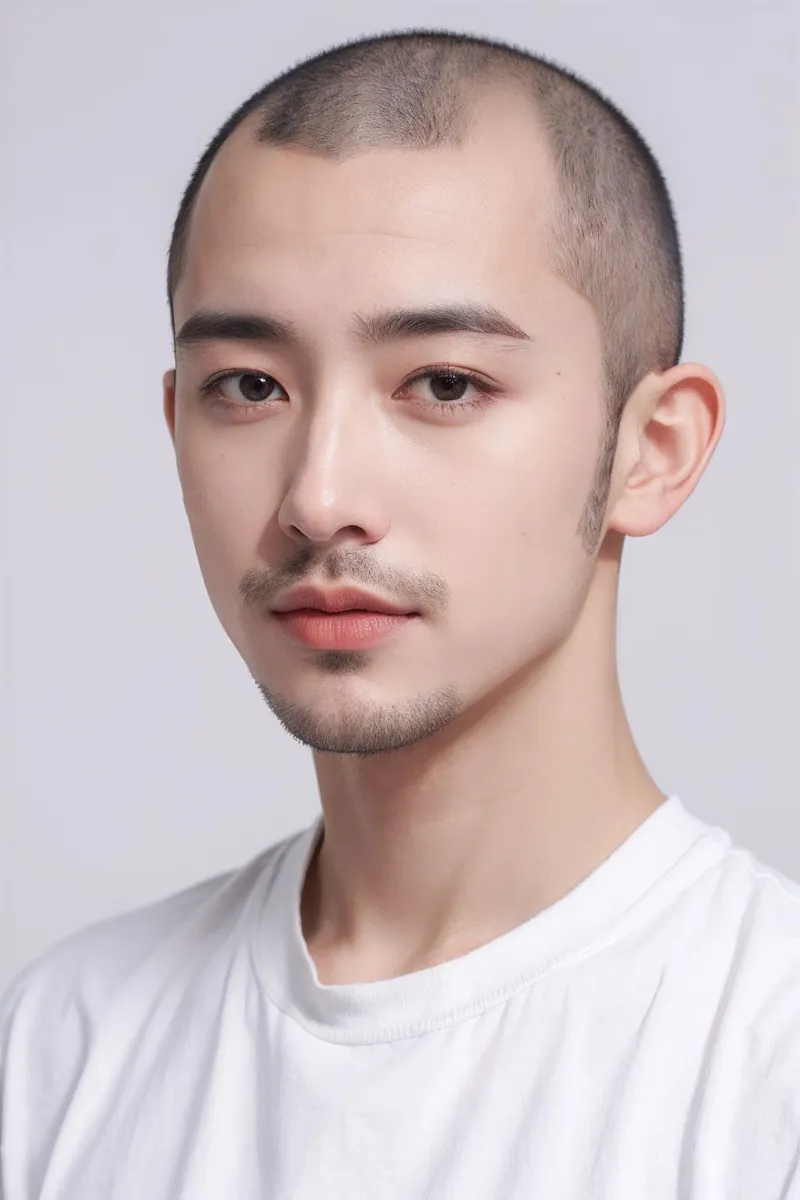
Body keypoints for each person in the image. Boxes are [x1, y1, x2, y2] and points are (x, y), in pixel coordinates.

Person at [1, 28, 798, 1200]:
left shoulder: (764, 1070)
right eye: (250, 387)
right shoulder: (64, 1050)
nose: (319, 496)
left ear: (651, 450)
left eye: (443, 383)